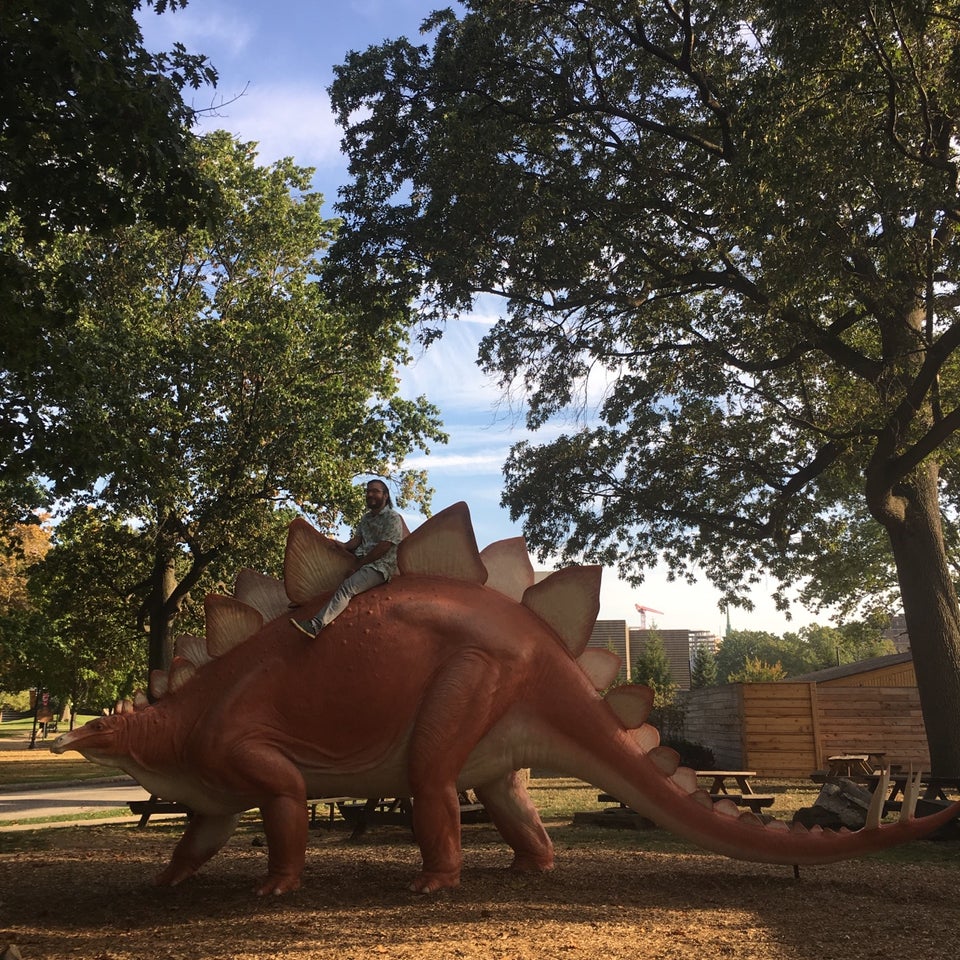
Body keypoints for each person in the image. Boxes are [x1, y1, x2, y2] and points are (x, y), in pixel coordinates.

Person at [289, 479, 404, 638]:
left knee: (347, 588)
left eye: (375, 491)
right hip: (360, 561)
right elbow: (357, 540)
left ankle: (315, 625)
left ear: (385, 496)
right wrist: (341, 545)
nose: (370, 494)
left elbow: (384, 547)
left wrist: (358, 566)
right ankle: (304, 601)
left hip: (379, 566)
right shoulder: (366, 518)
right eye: (368, 491)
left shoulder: (392, 517)